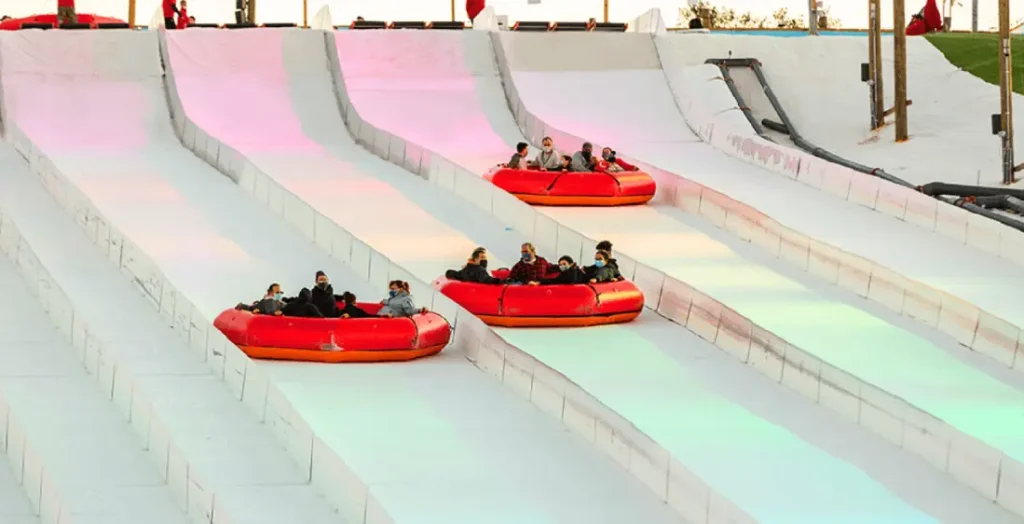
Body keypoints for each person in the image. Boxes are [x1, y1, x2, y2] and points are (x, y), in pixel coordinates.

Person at [235, 283, 323, 317]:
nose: (279, 294)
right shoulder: (269, 302)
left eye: (280, 292)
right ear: (270, 293)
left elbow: (253, 307)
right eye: (277, 292)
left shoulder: (278, 302)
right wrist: (275, 313)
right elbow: (270, 311)